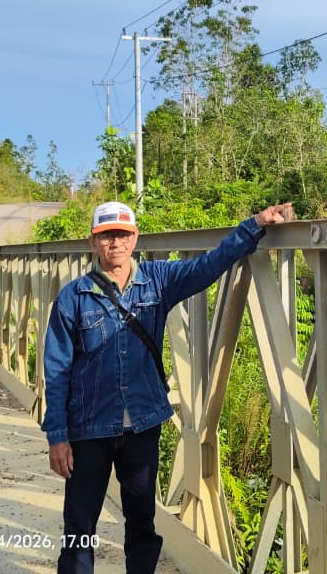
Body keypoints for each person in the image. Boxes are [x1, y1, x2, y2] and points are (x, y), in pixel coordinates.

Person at [41, 200, 294, 573]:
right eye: (106, 236)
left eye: (122, 234)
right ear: (93, 243)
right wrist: (57, 436)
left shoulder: (157, 280)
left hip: (143, 425)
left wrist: (254, 224)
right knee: (79, 529)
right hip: (88, 429)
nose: (115, 243)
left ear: (135, 238)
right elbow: (57, 370)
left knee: (142, 524)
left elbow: (208, 266)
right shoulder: (73, 298)